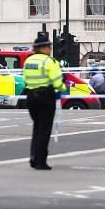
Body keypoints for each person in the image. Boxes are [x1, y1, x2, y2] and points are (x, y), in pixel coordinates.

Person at [22, 33, 67, 170]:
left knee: (37, 128)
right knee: (44, 129)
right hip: (46, 97)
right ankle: (41, 161)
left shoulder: (29, 61)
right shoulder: (49, 61)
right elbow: (57, 82)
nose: (50, 49)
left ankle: (33, 157)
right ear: (45, 48)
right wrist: (62, 88)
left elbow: (25, 80)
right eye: (49, 47)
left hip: (30, 97)